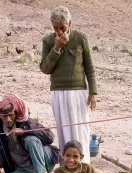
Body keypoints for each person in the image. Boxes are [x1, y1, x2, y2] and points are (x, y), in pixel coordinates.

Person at [40, 5, 97, 164]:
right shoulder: (48, 41)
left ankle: (83, 165)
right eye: (55, 28)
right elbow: (45, 68)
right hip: (58, 93)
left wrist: (93, 92)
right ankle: (67, 165)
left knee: (81, 128)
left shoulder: (81, 38)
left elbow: (89, 67)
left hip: (79, 92)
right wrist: (57, 47)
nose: (59, 31)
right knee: (64, 128)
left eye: (62, 27)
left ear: (70, 24)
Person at [0, 94, 59, 173]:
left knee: (31, 140)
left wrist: (25, 131)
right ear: (0, 116)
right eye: (4, 116)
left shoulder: (26, 122)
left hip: (44, 161)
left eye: (11, 115)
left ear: (16, 113)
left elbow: (50, 137)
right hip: (23, 168)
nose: (8, 119)